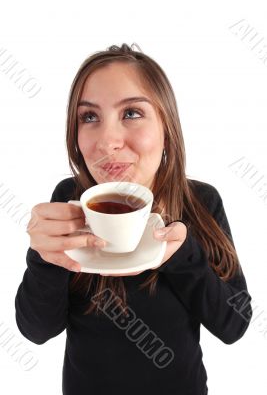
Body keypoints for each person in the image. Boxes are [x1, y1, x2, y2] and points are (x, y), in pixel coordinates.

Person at [15, 43, 253, 395]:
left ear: (166, 128)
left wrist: (183, 254)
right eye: (89, 117)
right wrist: (44, 258)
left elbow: (233, 325)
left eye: (131, 113)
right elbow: (36, 330)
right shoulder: (70, 199)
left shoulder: (201, 201)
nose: (107, 142)